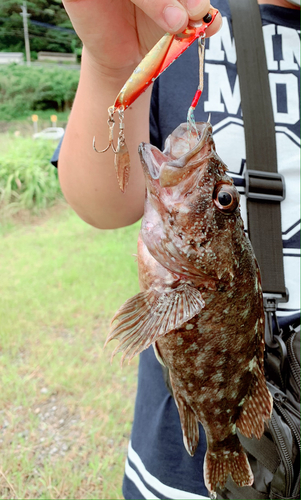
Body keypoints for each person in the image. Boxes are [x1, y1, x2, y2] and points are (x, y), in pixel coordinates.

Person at [52, 1, 300, 498]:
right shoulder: (174, 26)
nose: (215, 185)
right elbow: (103, 203)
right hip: (178, 458)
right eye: (222, 200)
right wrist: (112, 64)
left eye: (221, 196)